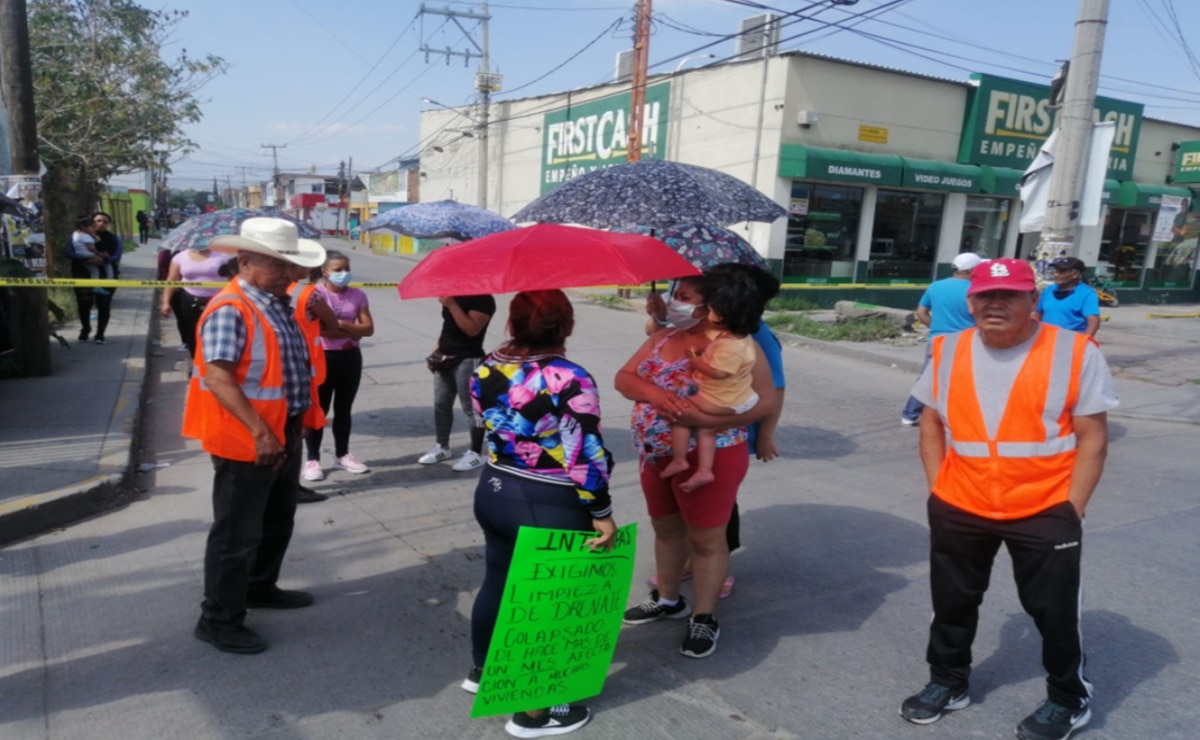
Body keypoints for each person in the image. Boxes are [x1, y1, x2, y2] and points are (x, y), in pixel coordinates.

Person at [898, 258, 1118, 740]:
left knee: (1053, 610)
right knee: (952, 602)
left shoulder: (1076, 351)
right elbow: (930, 422)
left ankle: (1068, 697)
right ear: (970, 300)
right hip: (961, 502)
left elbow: (1093, 438)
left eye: (1010, 295)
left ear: (1032, 302)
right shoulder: (948, 348)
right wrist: (939, 489)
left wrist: (1072, 507)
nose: (995, 304)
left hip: (1044, 506)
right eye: (985, 296)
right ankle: (948, 682)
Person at [465, 290, 615, 738]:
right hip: (548, 498)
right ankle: (535, 712)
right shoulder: (570, 377)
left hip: (494, 488)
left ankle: (484, 670)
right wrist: (601, 511)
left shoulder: (488, 365)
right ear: (567, 326)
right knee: (549, 604)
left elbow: (481, 419)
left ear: (511, 324)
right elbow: (584, 452)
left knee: (497, 580)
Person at [181, 217, 326, 655]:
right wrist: (262, 432)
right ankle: (219, 618)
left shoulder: (274, 301)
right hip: (249, 437)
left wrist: (293, 423)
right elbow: (219, 376)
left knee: (277, 519)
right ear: (244, 262)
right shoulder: (232, 308)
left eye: (292, 265)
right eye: (279, 265)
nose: (290, 274)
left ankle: (260, 587)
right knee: (236, 533)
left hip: (282, 429)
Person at [617, 271, 776, 659]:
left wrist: (708, 422)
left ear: (714, 307)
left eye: (686, 296)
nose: (677, 302)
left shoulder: (736, 346)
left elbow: (766, 401)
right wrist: (655, 394)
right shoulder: (663, 337)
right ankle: (668, 598)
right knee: (666, 529)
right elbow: (624, 379)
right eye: (676, 294)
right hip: (655, 455)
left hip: (714, 455)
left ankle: (704, 616)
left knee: (706, 540)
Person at [643, 264, 787, 600]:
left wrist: (765, 435)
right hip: (691, 432)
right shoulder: (696, 330)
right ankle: (693, 566)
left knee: (716, 514)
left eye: (686, 296)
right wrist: (663, 317)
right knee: (693, 512)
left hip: (726, 429)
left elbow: (774, 392)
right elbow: (652, 355)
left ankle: (711, 568)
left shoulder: (752, 338)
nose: (678, 301)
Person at [658, 282, 759, 493]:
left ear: (721, 314)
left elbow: (720, 372)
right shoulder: (734, 338)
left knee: (680, 414)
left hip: (722, 400)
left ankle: (679, 459)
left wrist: (696, 362)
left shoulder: (730, 345)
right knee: (706, 431)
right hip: (732, 397)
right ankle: (705, 470)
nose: (708, 311)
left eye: (711, 308)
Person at [302, 251, 374, 482]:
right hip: (322, 357)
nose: (343, 274)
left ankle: (342, 454)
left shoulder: (357, 295)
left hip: (350, 357)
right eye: (337, 269)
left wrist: (341, 324)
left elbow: (369, 329)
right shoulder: (316, 294)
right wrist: (351, 329)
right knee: (319, 410)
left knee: (344, 409)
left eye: (346, 268)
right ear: (324, 272)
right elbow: (316, 330)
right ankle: (312, 459)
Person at [902, 252, 983, 426]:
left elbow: (921, 312)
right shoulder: (974, 290)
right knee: (965, 380)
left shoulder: (936, 286)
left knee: (928, 377)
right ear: (971, 270)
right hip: (965, 341)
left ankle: (910, 414)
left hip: (937, 339)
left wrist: (935, 326)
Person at [418, 294, 496, 472]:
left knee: (471, 408)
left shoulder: (483, 299)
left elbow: (472, 329)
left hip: (468, 358)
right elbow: (448, 326)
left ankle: (475, 453)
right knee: (441, 404)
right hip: (445, 356)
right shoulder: (454, 294)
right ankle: (442, 447)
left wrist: (452, 305)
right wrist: (436, 352)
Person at [160, 243, 228, 358]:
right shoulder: (180, 257)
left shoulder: (222, 256)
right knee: (192, 333)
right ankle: (196, 362)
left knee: (215, 333)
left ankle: (213, 361)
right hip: (189, 299)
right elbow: (171, 280)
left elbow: (234, 277)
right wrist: (166, 302)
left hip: (217, 301)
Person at [1034, 256, 1101, 338]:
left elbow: (1093, 321)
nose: (1056, 274)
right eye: (1055, 271)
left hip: (1071, 341)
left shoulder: (1087, 294)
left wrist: (1085, 342)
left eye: (1061, 271)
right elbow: (1037, 314)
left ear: (1075, 274)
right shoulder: (1049, 290)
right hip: (1046, 339)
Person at [68, 216, 111, 293]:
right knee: (107, 264)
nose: (94, 229)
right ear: (83, 227)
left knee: (94, 271)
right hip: (88, 254)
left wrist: (93, 235)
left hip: (80, 254)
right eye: (92, 227)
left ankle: (96, 286)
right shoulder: (85, 236)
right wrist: (99, 253)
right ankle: (109, 281)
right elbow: (91, 247)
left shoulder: (75, 234)